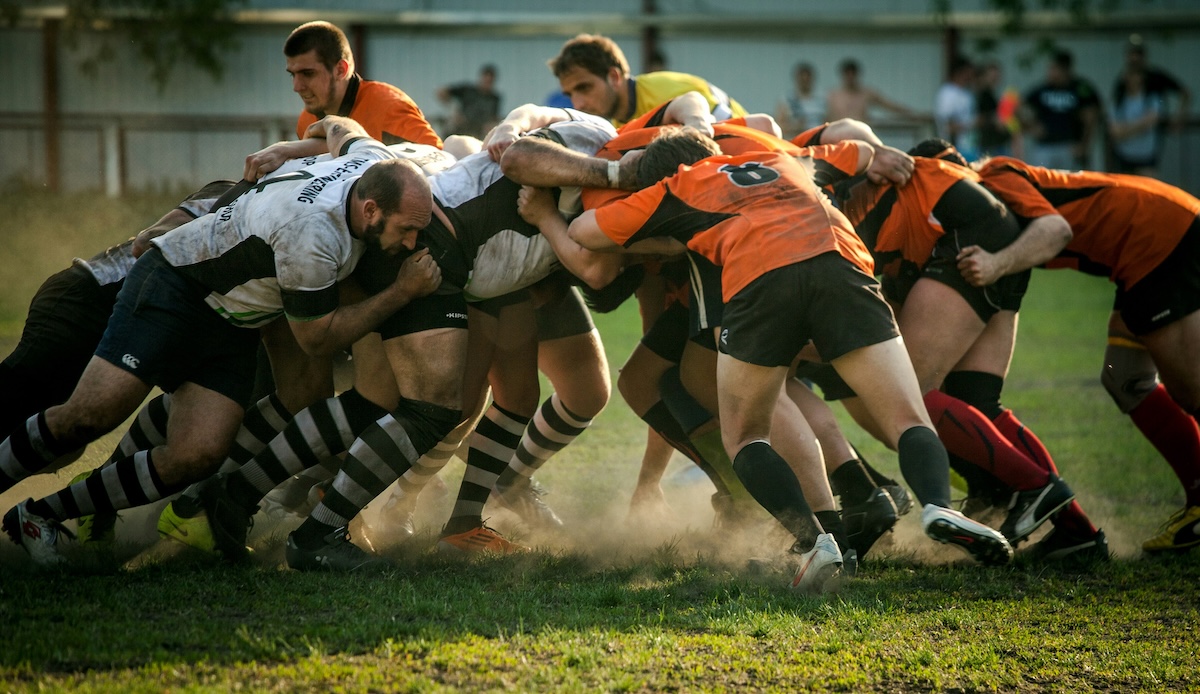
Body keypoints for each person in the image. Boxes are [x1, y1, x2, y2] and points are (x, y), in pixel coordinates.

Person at [569, 127, 1015, 589]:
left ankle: (813, 541)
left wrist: (664, 232)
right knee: (908, 416)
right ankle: (938, 505)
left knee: (746, 435)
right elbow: (859, 153)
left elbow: (585, 233)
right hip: (840, 266)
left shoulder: (677, 185)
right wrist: (875, 155)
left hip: (761, 282)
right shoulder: (781, 158)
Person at [1, 118, 442, 566]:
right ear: (370, 210)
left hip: (230, 320)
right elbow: (316, 339)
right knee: (92, 414)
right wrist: (400, 293)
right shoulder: (312, 234)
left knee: (198, 455)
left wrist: (286, 148)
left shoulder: (372, 158)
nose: (412, 242)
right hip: (177, 285)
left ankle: (39, 514)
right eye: (405, 229)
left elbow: (340, 125)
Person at [963, 154, 1200, 554]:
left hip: (1157, 238)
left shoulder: (994, 176)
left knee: (1192, 391)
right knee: (1124, 378)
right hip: (1145, 243)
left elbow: (1055, 230)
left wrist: (995, 263)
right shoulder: (989, 185)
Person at [287, 20, 441, 148]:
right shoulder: (306, 121)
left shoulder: (389, 109)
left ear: (340, 70)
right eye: (293, 74)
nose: (297, 87)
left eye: (308, 74)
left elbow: (439, 163)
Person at [548, 33, 745, 128]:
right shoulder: (617, 127)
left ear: (614, 77)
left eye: (584, 88)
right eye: (570, 94)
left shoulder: (671, 92)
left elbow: (730, 138)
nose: (577, 104)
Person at [1019, 50, 1100, 170]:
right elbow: (1018, 105)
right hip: (1044, 147)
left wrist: (1084, 145)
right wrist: (1029, 127)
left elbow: (1091, 117)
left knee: (1070, 180)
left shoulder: (1080, 88)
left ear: (1064, 70)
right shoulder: (1042, 90)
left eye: (1053, 68)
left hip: (1070, 146)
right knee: (1041, 180)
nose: (1049, 72)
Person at [826, 58, 922, 125]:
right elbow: (826, 117)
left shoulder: (866, 93)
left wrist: (915, 115)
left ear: (857, 75)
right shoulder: (833, 95)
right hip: (839, 136)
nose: (850, 78)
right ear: (843, 75)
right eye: (848, 75)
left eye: (852, 74)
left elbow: (890, 105)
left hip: (861, 134)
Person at [1109, 67, 1164, 176]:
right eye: (1130, 75)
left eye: (1136, 75)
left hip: (1146, 156)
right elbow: (1115, 132)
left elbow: (1150, 121)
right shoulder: (1118, 101)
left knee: (1147, 186)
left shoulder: (1151, 99)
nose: (1133, 80)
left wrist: (1124, 130)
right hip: (1124, 156)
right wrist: (1140, 125)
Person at [437, 64, 502, 139]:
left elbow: (494, 118)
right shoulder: (468, 90)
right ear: (481, 78)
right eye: (486, 80)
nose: (487, 84)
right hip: (460, 129)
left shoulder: (495, 98)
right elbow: (442, 92)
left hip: (478, 133)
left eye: (490, 81)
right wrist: (452, 110)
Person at [933, 56, 978, 161]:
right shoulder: (947, 93)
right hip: (953, 150)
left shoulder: (967, 94)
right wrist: (972, 124)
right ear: (960, 72)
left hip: (970, 147)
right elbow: (946, 125)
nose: (971, 76)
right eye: (968, 73)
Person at [975, 60, 1022, 159]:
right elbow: (983, 119)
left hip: (997, 144)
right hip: (990, 145)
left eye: (996, 76)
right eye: (992, 76)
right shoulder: (983, 96)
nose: (994, 79)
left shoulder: (993, 95)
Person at [776, 62, 826, 140]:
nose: (804, 83)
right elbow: (779, 126)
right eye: (802, 80)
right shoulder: (787, 100)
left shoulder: (822, 100)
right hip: (795, 140)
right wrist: (795, 127)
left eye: (807, 80)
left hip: (817, 140)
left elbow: (829, 121)